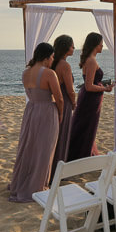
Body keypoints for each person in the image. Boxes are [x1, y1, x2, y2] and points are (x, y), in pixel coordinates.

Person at [8, 42, 64, 203]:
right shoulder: (49, 73)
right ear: (46, 57)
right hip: (46, 111)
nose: (53, 60)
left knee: (29, 147)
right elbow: (59, 98)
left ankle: (23, 181)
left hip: (31, 111)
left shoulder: (26, 73)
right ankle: (39, 185)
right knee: (44, 149)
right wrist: (60, 114)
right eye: (52, 57)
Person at [67, 32, 114, 161]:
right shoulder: (92, 61)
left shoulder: (89, 58)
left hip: (92, 98)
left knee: (86, 125)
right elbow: (89, 86)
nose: (102, 46)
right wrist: (105, 88)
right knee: (86, 126)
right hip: (90, 99)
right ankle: (80, 155)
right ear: (95, 45)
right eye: (101, 44)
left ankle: (85, 153)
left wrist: (104, 88)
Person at [49, 34, 76, 181]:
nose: (74, 48)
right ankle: (58, 171)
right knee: (63, 136)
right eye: (72, 46)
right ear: (66, 48)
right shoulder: (65, 65)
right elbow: (70, 90)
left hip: (53, 103)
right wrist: (74, 103)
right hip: (64, 102)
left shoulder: (53, 62)